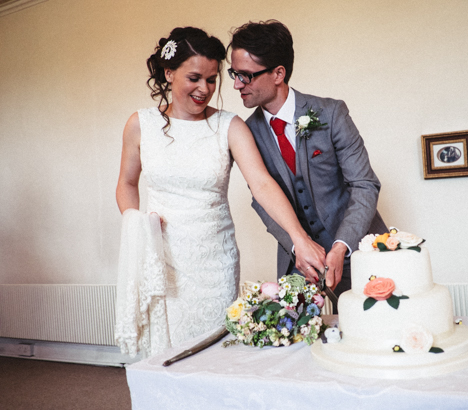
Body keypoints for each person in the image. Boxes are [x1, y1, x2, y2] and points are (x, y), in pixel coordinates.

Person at [115, 27, 325, 351]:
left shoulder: (230, 126)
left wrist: (300, 238)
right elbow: (127, 183)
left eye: (212, 79)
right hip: (162, 255)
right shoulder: (139, 124)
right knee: (167, 355)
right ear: (169, 73)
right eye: (195, 77)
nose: (205, 89)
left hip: (215, 262)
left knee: (214, 352)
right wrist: (136, 223)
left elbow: (262, 183)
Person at [228, 20, 386, 301]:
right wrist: (297, 246)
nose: (237, 84)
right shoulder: (245, 132)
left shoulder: (331, 113)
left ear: (278, 73)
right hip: (297, 261)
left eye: (246, 76)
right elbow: (262, 200)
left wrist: (340, 247)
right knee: (298, 341)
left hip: (358, 249)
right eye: (234, 74)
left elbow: (364, 185)